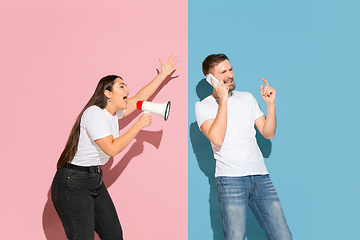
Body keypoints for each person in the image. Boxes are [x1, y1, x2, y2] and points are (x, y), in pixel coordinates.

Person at [51, 56, 180, 240]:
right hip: (73, 183)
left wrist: (164, 75)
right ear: (107, 93)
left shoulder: (113, 114)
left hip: (93, 180)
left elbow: (140, 98)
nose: (128, 90)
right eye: (122, 86)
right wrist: (138, 125)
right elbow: (111, 149)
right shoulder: (94, 113)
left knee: (114, 235)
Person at [195, 53, 292, 240]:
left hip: (260, 177)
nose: (230, 75)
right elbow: (216, 138)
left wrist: (270, 105)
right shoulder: (203, 106)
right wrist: (223, 100)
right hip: (230, 179)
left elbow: (268, 132)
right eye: (223, 72)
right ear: (210, 78)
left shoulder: (246, 98)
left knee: (283, 236)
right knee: (235, 237)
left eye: (230, 69)